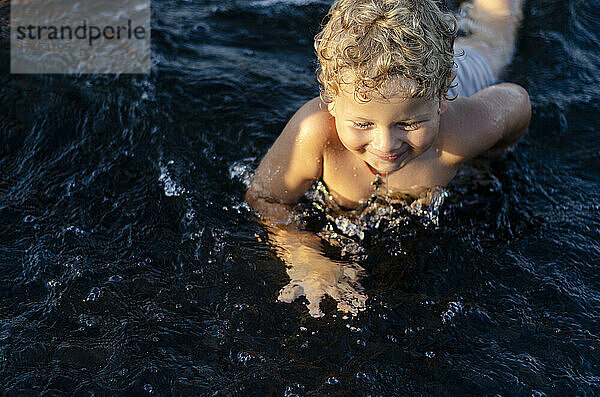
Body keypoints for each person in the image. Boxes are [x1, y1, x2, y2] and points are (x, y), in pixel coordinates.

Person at [246, 0, 531, 317]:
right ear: (330, 97)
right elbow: (265, 197)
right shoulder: (315, 134)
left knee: (491, 37)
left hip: (458, 78)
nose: (386, 145)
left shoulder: (461, 134)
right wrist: (304, 255)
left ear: (442, 98)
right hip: (415, 90)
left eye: (408, 125)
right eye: (363, 124)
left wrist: (486, 161)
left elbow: (516, 103)